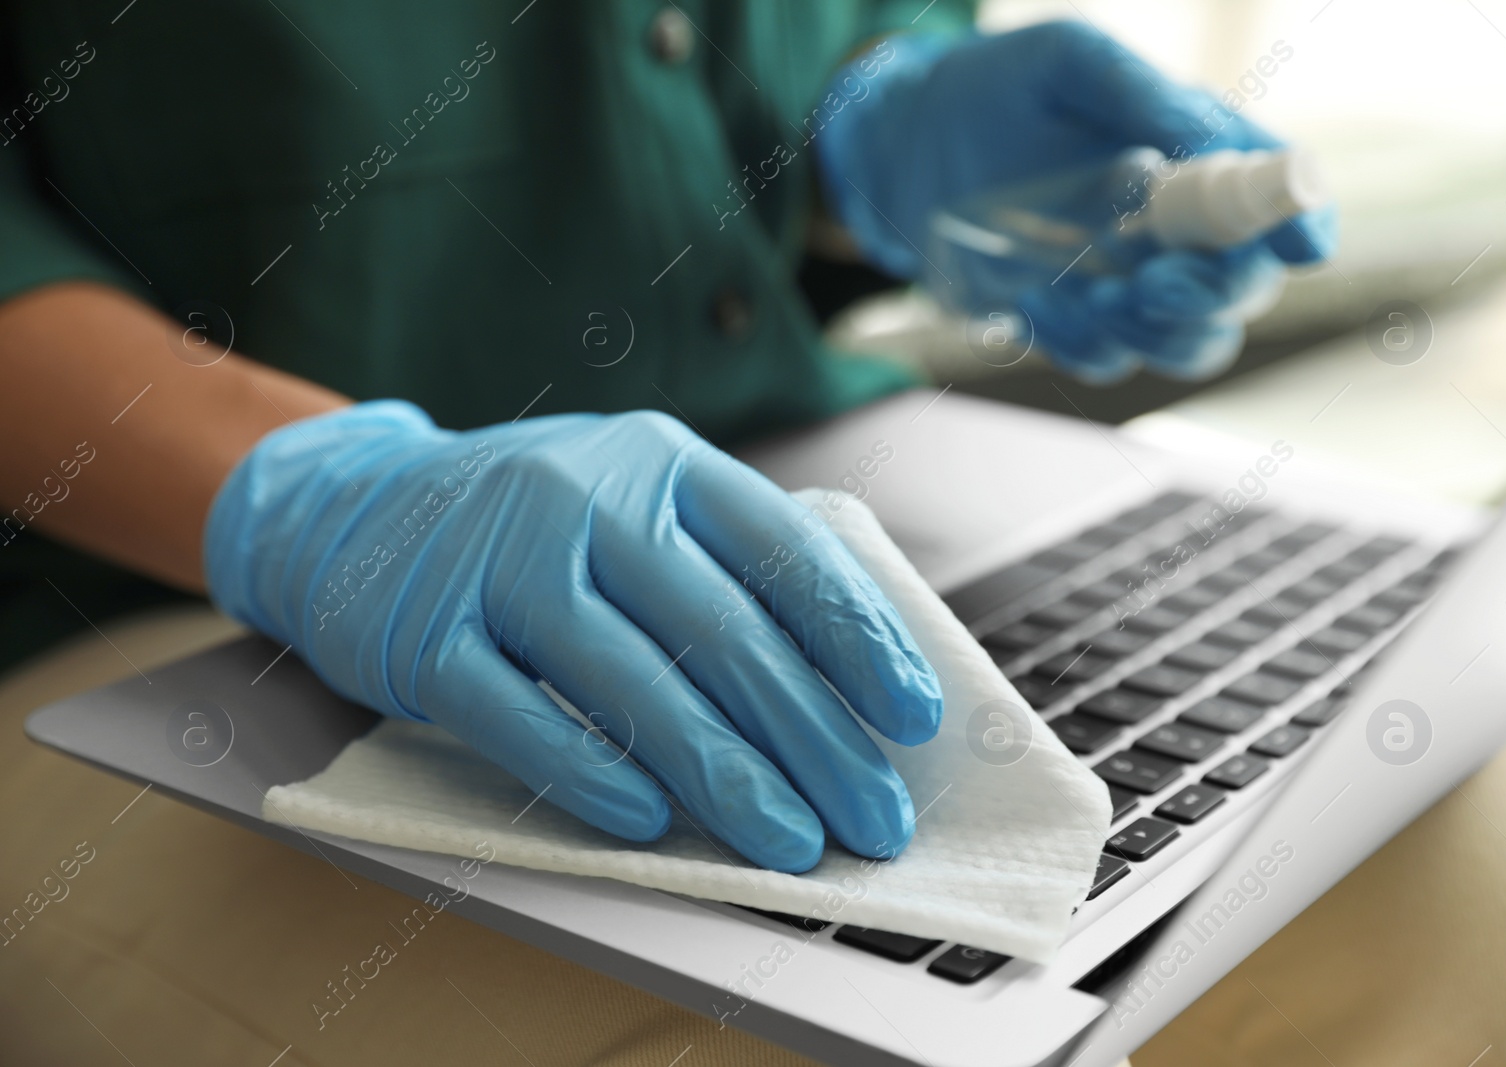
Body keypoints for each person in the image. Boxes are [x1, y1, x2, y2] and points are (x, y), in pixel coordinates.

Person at [0, 4, 1386, 1064]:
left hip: (806, 463)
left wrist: (867, 120)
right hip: (163, 607)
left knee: (1486, 856)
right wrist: (308, 494)